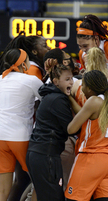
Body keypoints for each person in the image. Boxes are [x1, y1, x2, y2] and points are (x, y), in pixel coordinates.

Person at [0, 33, 49, 201]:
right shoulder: (31, 80)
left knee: (1, 191)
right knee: (39, 184)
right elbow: (47, 100)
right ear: (23, 63)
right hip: (20, 136)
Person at [65, 70, 108, 201]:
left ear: (89, 87)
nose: (81, 89)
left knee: (72, 199)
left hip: (91, 158)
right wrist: (70, 99)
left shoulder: (93, 101)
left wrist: (67, 97)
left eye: (83, 85)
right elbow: (87, 113)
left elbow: (71, 129)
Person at [26, 62, 74, 201]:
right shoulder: (58, 99)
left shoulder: (49, 96)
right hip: (46, 155)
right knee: (53, 198)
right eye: (67, 79)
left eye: (71, 78)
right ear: (55, 81)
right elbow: (71, 128)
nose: (71, 82)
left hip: (38, 153)